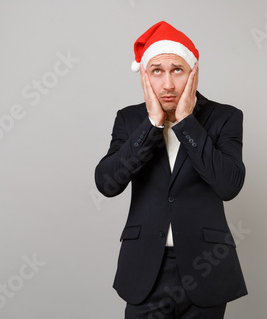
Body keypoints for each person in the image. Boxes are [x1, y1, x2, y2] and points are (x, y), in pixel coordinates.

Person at [95, 21, 247, 319]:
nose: (167, 84)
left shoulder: (225, 117)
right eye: (157, 71)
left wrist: (186, 121)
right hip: (144, 268)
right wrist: (152, 124)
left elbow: (228, 186)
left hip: (207, 267)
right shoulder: (129, 120)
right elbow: (107, 183)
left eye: (177, 70)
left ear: (193, 73)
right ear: (145, 77)